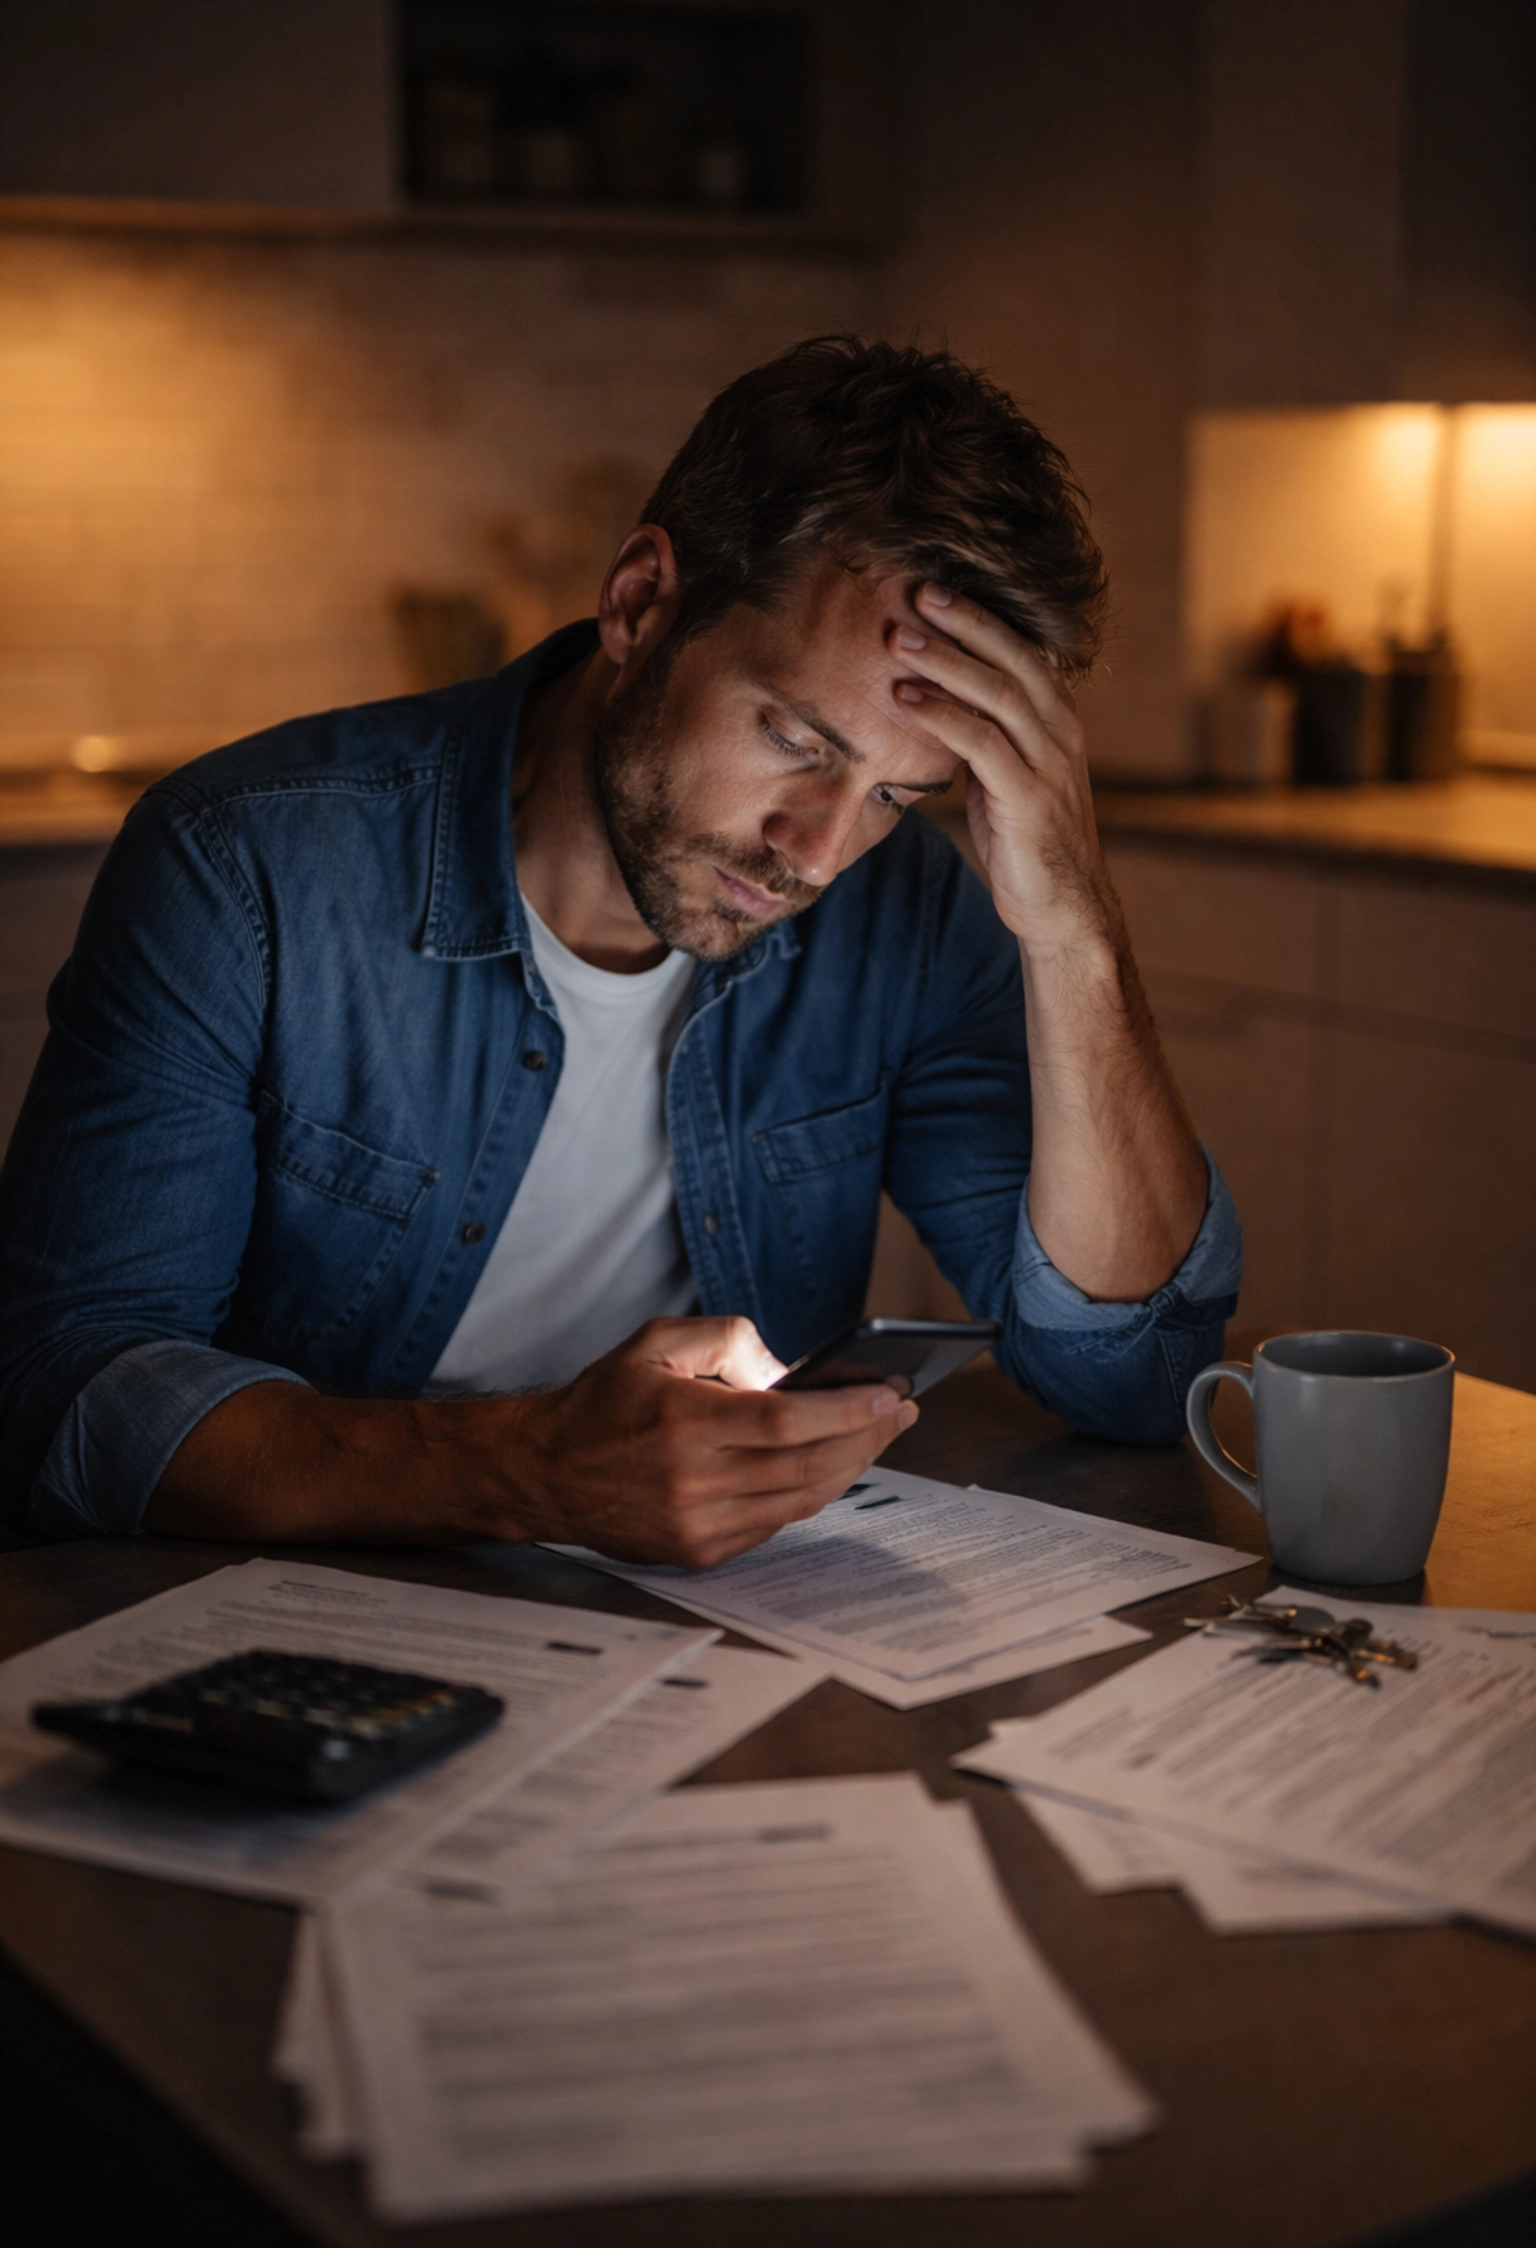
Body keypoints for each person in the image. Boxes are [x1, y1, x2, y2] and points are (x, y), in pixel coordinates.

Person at [0, 337, 1240, 1562]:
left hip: (700, 1646)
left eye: (894, 797)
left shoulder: (901, 910)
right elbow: (68, 1387)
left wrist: (1076, 929)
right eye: (798, 741)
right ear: (641, 602)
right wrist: (526, 1475)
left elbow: (1132, 1374)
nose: (814, 852)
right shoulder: (247, 865)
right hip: (291, 1632)